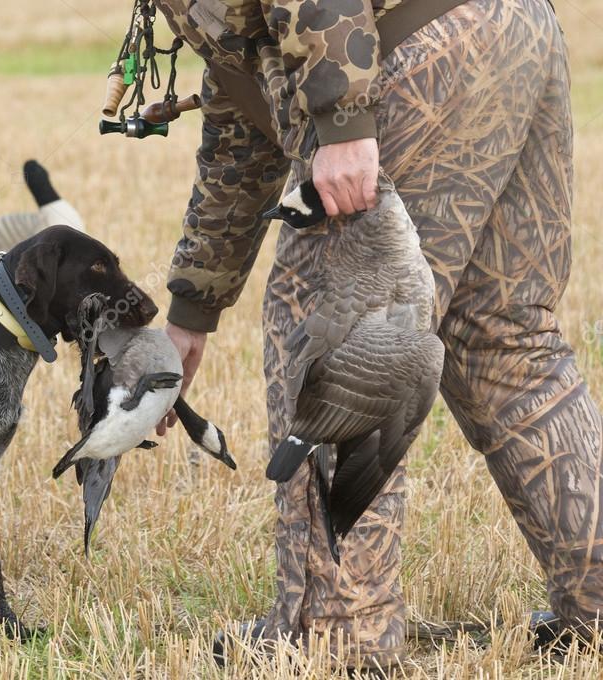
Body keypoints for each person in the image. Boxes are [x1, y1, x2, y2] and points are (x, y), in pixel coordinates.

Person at [150, 0, 603, 670]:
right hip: (509, 29)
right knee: (502, 338)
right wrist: (194, 305)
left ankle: (337, 636)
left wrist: (342, 121)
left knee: (334, 327)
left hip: (406, 50)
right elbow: (245, 102)